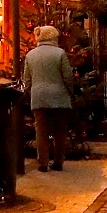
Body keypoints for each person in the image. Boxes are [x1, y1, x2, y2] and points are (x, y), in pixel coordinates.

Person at [23, 25, 76, 172]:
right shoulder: (60, 54)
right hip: (59, 96)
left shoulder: (31, 55)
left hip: (39, 97)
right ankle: (58, 161)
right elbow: (67, 77)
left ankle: (43, 162)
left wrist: (31, 92)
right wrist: (70, 92)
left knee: (41, 130)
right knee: (59, 131)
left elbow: (27, 79)